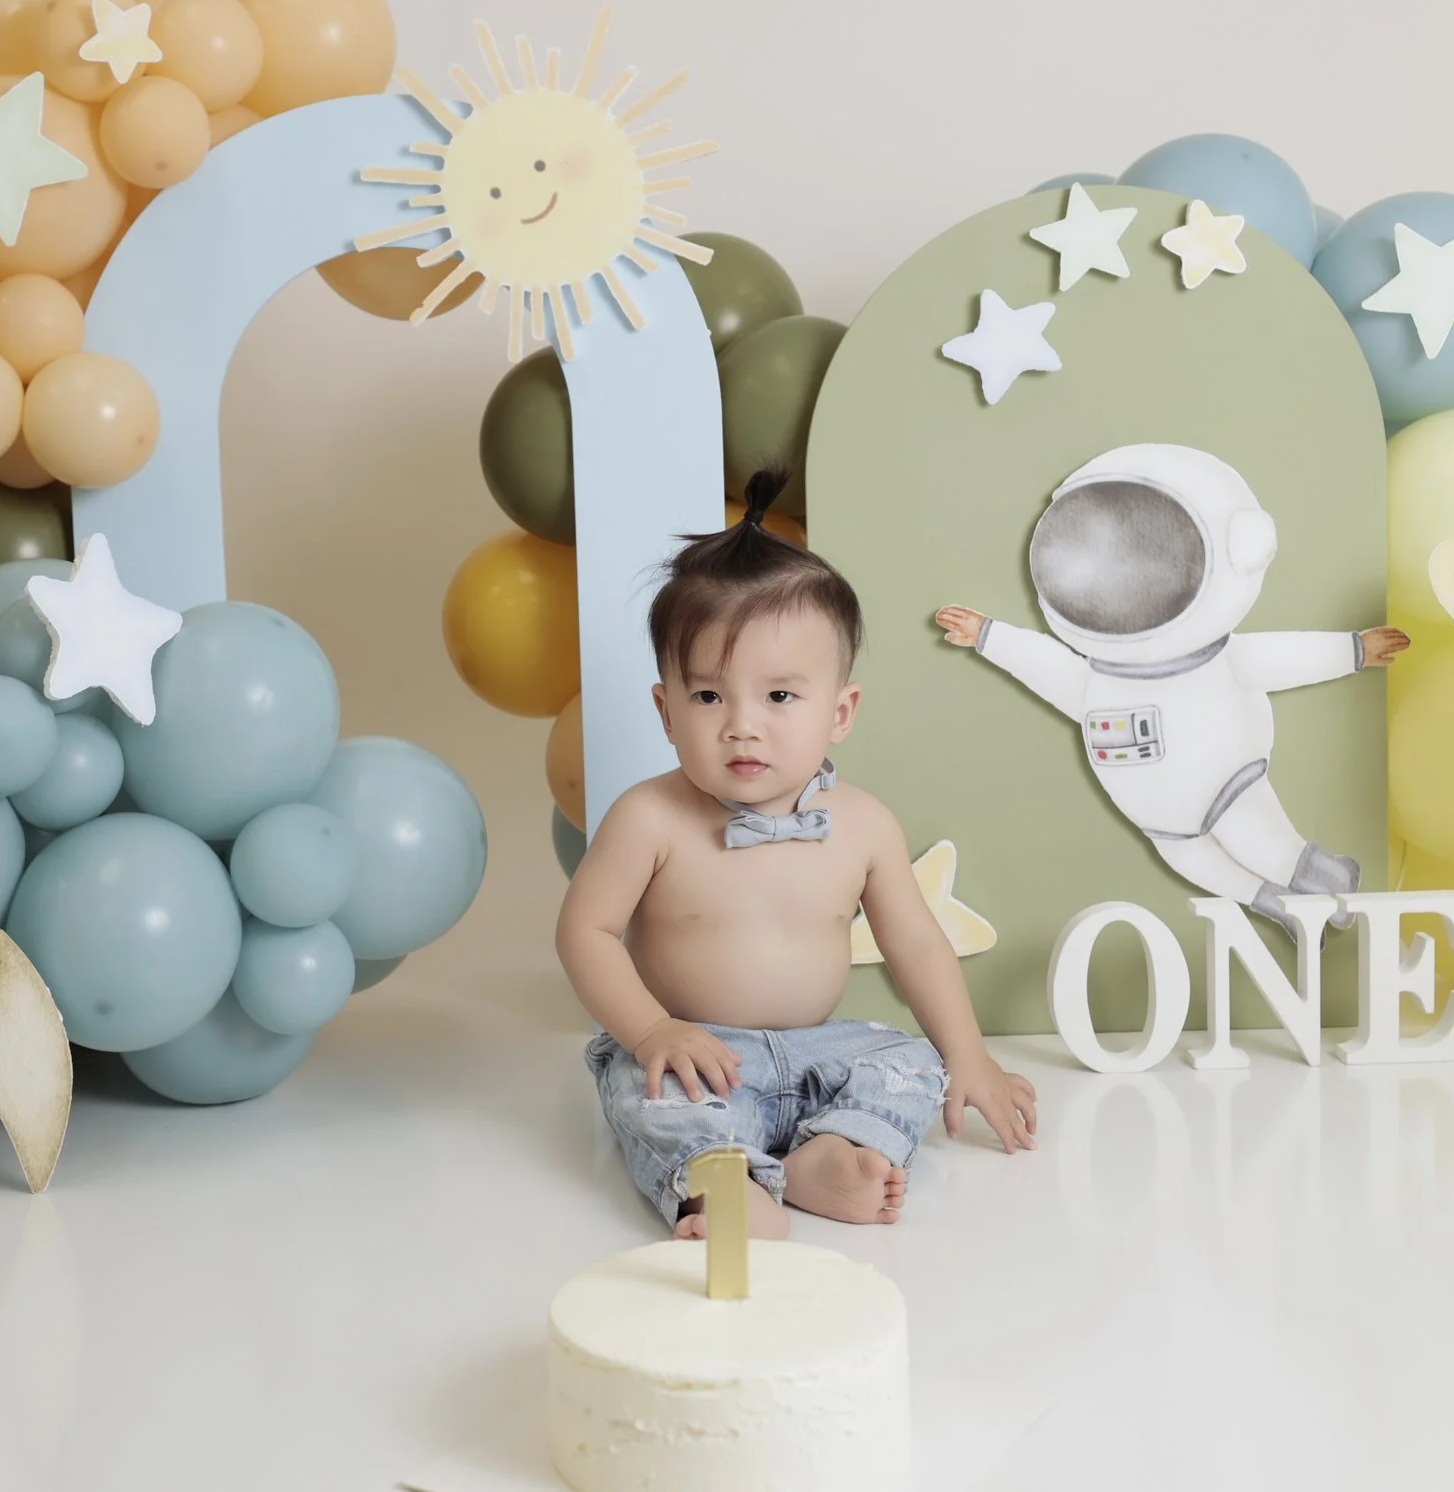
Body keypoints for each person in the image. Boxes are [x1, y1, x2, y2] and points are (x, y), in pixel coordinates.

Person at [557, 470, 1037, 1240]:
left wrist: (970, 1052)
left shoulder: (864, 823)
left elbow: (915, 942)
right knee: (658, 1099)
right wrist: (651, 1032)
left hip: (823, 1050)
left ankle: (834, 1150)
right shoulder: (649, 817)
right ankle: (724, 1181)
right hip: (696, 1049)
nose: (742, 726)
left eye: (780, 697)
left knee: (910, 1060)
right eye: (709, 696)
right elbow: (584, 932)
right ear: (665, 710)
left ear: (839, 710)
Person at [932, 442, 1408, 941]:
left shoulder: (1217, 660)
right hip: (1161, 823)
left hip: (1227, 788)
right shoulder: (1096, 678)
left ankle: (1333, 880)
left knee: (1263, 845)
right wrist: (990, 637)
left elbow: (1283, 657)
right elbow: (1045, 665)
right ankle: (1283, 907)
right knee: (1201, 868)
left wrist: (1353, 651)